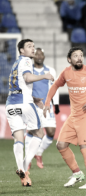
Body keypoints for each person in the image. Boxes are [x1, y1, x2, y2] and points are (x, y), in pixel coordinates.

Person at [43, 47, 86, 189]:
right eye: (75, 56)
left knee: (84, 147)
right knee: (60, 145)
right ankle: (77, 173)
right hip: (73, 116)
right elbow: (55, 85)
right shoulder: (66, 73)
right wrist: (47, 102)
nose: (79, 58)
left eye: (81, 55)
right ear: (69, 59)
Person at [6, 39, 54, 186]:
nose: (33, 49)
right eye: (29, 46)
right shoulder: (26, 61)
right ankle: (25, 167)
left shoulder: (15, 63)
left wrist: (35, 99)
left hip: (10, 105)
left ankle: (21, 170)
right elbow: (27, 78)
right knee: (39, 133)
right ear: (21, 50)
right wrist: (44, 76)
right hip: (25, 104)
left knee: (18, 138)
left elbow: (19, 84)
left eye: (33, 46)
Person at [25, 48, 60, 169]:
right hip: (33, 106)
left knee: (51, 132)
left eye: (42, 54)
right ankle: (28, 159)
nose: (39, 56)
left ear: (44, 56)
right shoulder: (29, 71)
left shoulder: (50, 70)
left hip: (46, 106)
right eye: (37, 54)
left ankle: (38, 153)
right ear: (33, 56)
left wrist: (56, 104)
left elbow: (55, 88)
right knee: (32, 131)